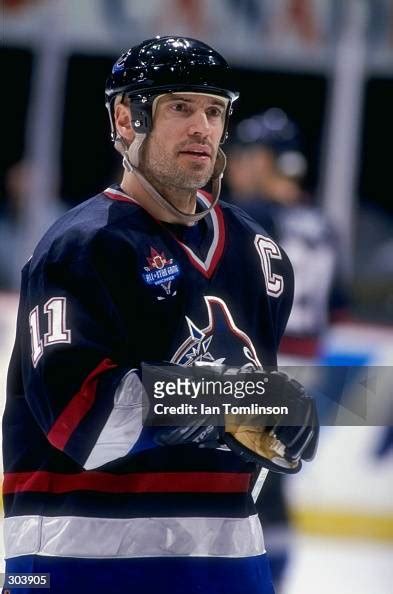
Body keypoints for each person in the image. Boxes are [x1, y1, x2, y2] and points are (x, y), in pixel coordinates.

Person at [3, 37, 318, 594]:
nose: (203, 126)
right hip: (83, 559)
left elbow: (246, 433)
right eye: (180, 107)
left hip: (227, 557)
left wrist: (281, 425)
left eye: (214, 110)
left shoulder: (260, 255)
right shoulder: (82, 248)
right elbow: (88, 426)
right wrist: (243, 400)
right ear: (126, 118)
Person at [226, 108, 346, 591]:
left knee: (236, 493)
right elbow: (337, 310)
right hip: (307, 376)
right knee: (272, 494)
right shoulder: (321, 223)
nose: (233, 167)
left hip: (261, 370)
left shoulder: (250, 216)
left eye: (242, 157)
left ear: (263, 161)